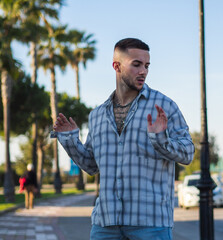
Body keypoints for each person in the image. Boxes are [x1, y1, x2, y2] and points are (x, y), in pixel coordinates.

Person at [52, 38, 194, 240]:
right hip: (105, 224)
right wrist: (69, 140)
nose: (143, 71)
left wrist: (160, 139)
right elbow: (92, 166)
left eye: (146, 66)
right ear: (116, 66)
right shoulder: (98, 115)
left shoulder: (164, 106)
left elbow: (188, 153)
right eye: (136, 64)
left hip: (150, 224)